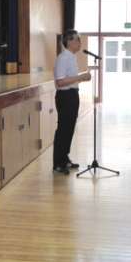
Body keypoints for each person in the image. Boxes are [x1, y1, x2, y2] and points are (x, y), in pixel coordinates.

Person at [52, 30, 91, 175]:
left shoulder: (72, 57)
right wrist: (81, 77)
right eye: (77, 40)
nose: (80, 43)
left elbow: (70, 79)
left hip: (73, 94)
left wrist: (81, 78)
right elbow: (60, 82)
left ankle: (65, 159)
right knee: (63, 129)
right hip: (65, 96)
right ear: (69, 42)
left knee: (70, 129)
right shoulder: (63, 58)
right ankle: (58, 163)